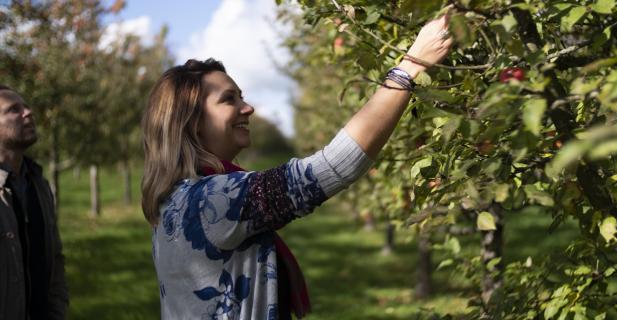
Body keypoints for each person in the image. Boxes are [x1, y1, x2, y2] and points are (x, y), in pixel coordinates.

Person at [142, 14, 452, 320]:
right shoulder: (210, 203)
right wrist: (411, 67)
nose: (247, 108)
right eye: (229, 99)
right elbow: (331, 168)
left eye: (242, 97)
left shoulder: (176, 199)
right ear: (192, 123)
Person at [0, 85, 69, 319]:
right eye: (13, 110)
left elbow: (55, 257)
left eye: (27, 107)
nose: (28, 113)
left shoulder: (38, 184)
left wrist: (57, 311)